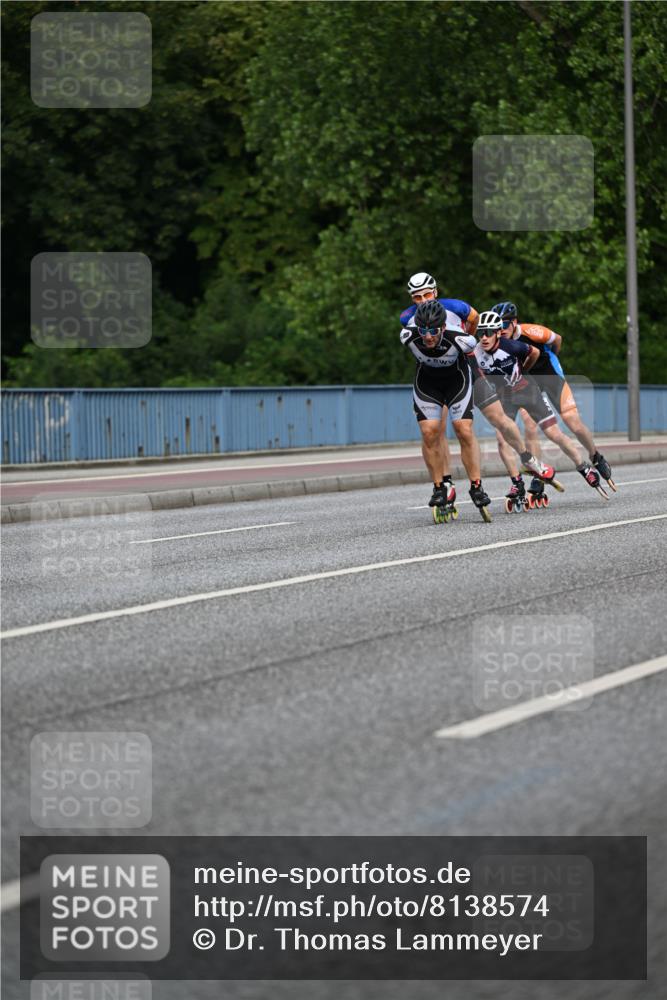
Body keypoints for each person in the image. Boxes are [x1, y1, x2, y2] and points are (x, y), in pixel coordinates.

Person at [401, 274, 557, 502]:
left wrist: (464, 341)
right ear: (412, 298)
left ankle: (528, 458)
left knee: (498, 418)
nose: (423, 301)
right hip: (433, 373)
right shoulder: (407, 318)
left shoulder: (456, 307)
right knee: (434, 429)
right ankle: (444, 482)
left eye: (427, 294)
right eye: (417, 297)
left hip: (464, 364)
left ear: (435, 292)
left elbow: (474, 323)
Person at [491, 301, 615, 495]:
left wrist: (552, 359)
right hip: (530, 382)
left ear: (514, 322)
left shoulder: (531, 331)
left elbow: (557, 340)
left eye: (505, 325)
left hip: (551, 376)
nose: (501, 329)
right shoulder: (499, 343)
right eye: (497, 326)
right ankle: (538, 477)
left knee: (573, 423)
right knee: (530, 426)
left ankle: (595, 455)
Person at [401, 298, 491, 519]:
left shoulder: (462, 340)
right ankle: (439, 487)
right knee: (429, 431)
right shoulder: (408, 337)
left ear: (443, 327)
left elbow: (476, 361)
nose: (428, 336)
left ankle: (476, 486)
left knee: (463, 429)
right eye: (423, 330)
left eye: (433, 330)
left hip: (456, 381)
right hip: (428, 383)